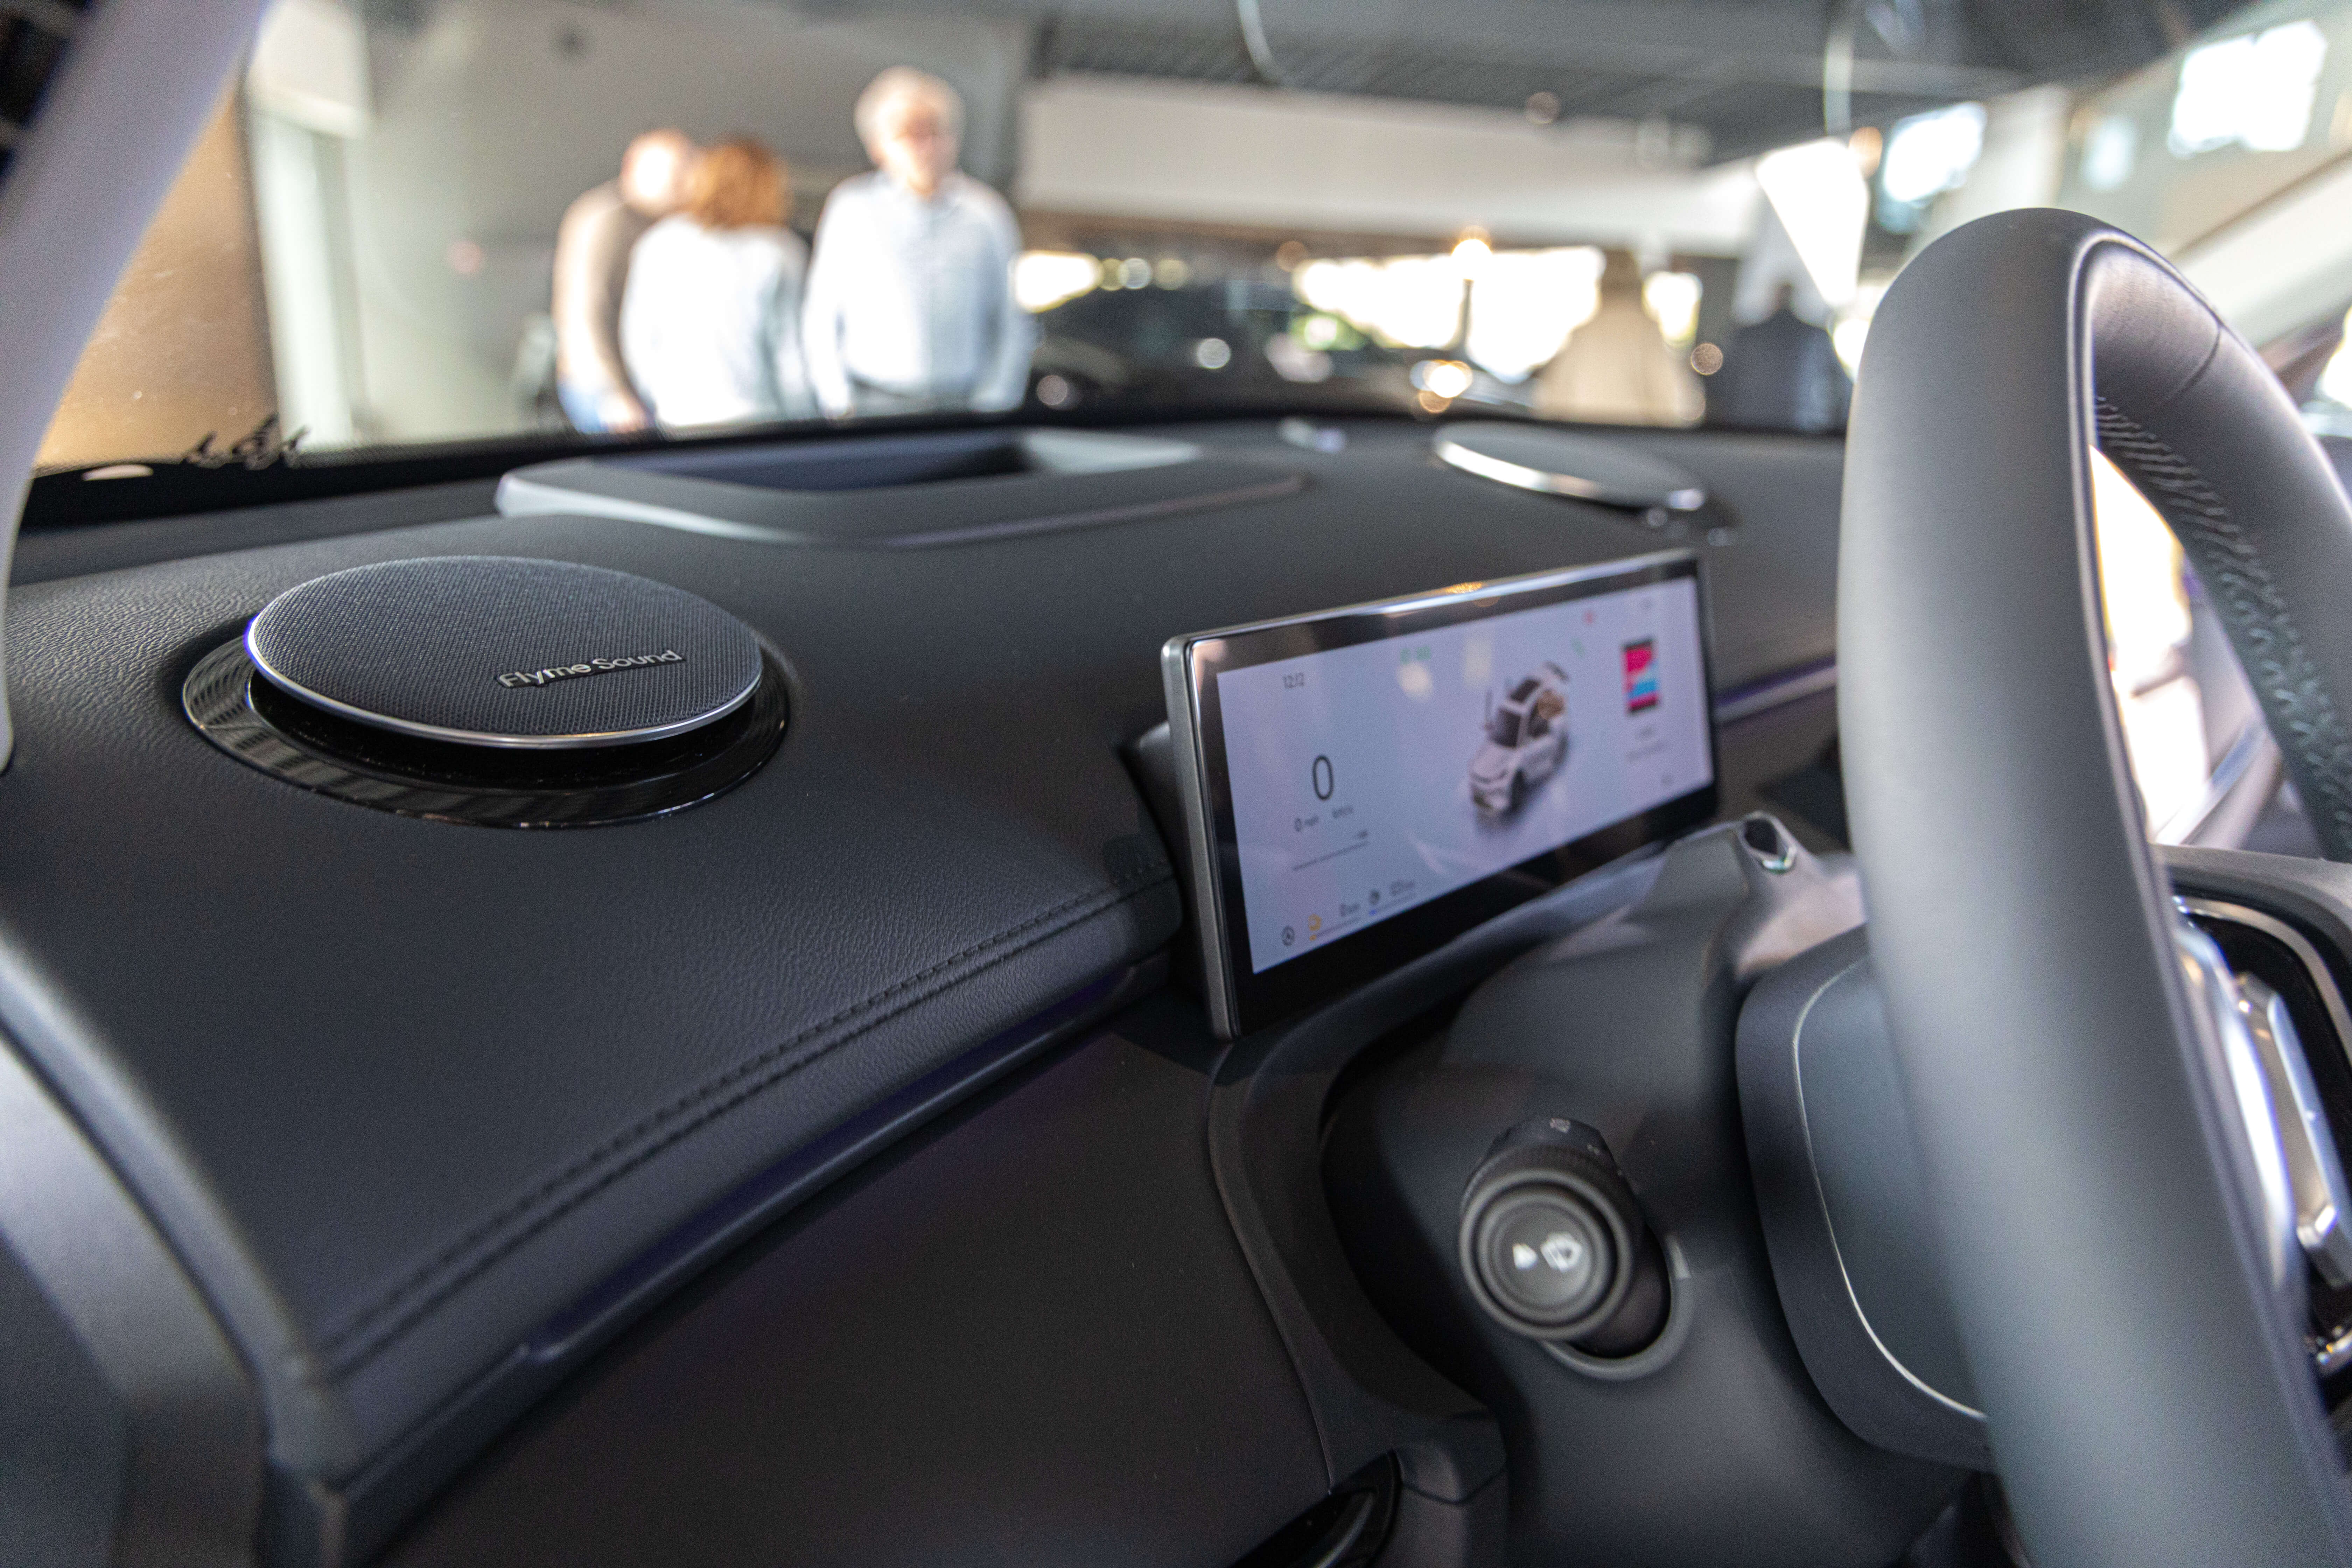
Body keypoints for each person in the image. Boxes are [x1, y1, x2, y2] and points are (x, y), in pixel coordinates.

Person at [801, 68, 1034, 418]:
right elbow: (821, 313)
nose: (926, 147)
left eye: (935, 131)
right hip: (871, 405)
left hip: (962, 406)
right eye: (910, 134)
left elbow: (1011, 319)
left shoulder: (987, 214)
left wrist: (995, 404)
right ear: (878, 146)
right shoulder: (851, 209)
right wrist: (838, 403)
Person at [619, 138, 813, 430]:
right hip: (761, 416)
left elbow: (639, 338)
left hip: (678, 412)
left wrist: (661, 395)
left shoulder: (659, 242)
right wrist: (806, 420)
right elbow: (790, 351)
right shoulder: (780, 251)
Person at [553, 128, 695, 433]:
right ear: (631, 168)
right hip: (602, 389)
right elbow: (584, 310)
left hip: (632, 384)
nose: (682, 184)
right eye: (673, 173)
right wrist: (613, 393)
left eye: (686, 171)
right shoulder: (608, 220)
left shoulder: (664, 223)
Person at [1534, 250, 1701, 426]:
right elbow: (1674, 405)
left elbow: (1550, 403)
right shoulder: (1648, 334)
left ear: (1602, 286)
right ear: (1638, 286)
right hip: (1632, 439)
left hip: (1582, 438)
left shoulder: (1581, 336)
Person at [1704, 284, 1851, 433]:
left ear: (1774, 299)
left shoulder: (1748, 335)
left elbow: (1722, 383)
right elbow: (1843, 388)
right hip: (1800, 429)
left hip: (1749, 427)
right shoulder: (1816, 337)